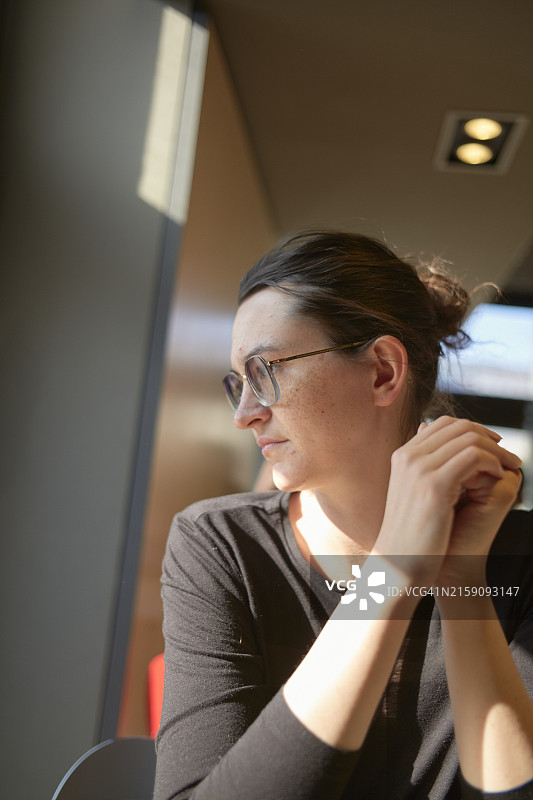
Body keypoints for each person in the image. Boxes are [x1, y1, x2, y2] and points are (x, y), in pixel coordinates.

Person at [153, 231, 533, 800]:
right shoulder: (221, 544)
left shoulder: (519, 554)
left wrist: (460, 580)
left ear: (382, 371)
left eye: (265, 372)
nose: (246, 415)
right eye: (239, 383)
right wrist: (392, 572)